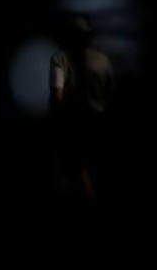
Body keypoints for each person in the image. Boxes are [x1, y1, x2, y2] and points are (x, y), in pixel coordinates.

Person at [49, 13, 116, 202]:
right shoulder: (102, 59)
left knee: (78, 173)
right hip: (98, 123)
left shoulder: (60, 59)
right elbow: (112, 94)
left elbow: (57, 93)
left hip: (77, 125)